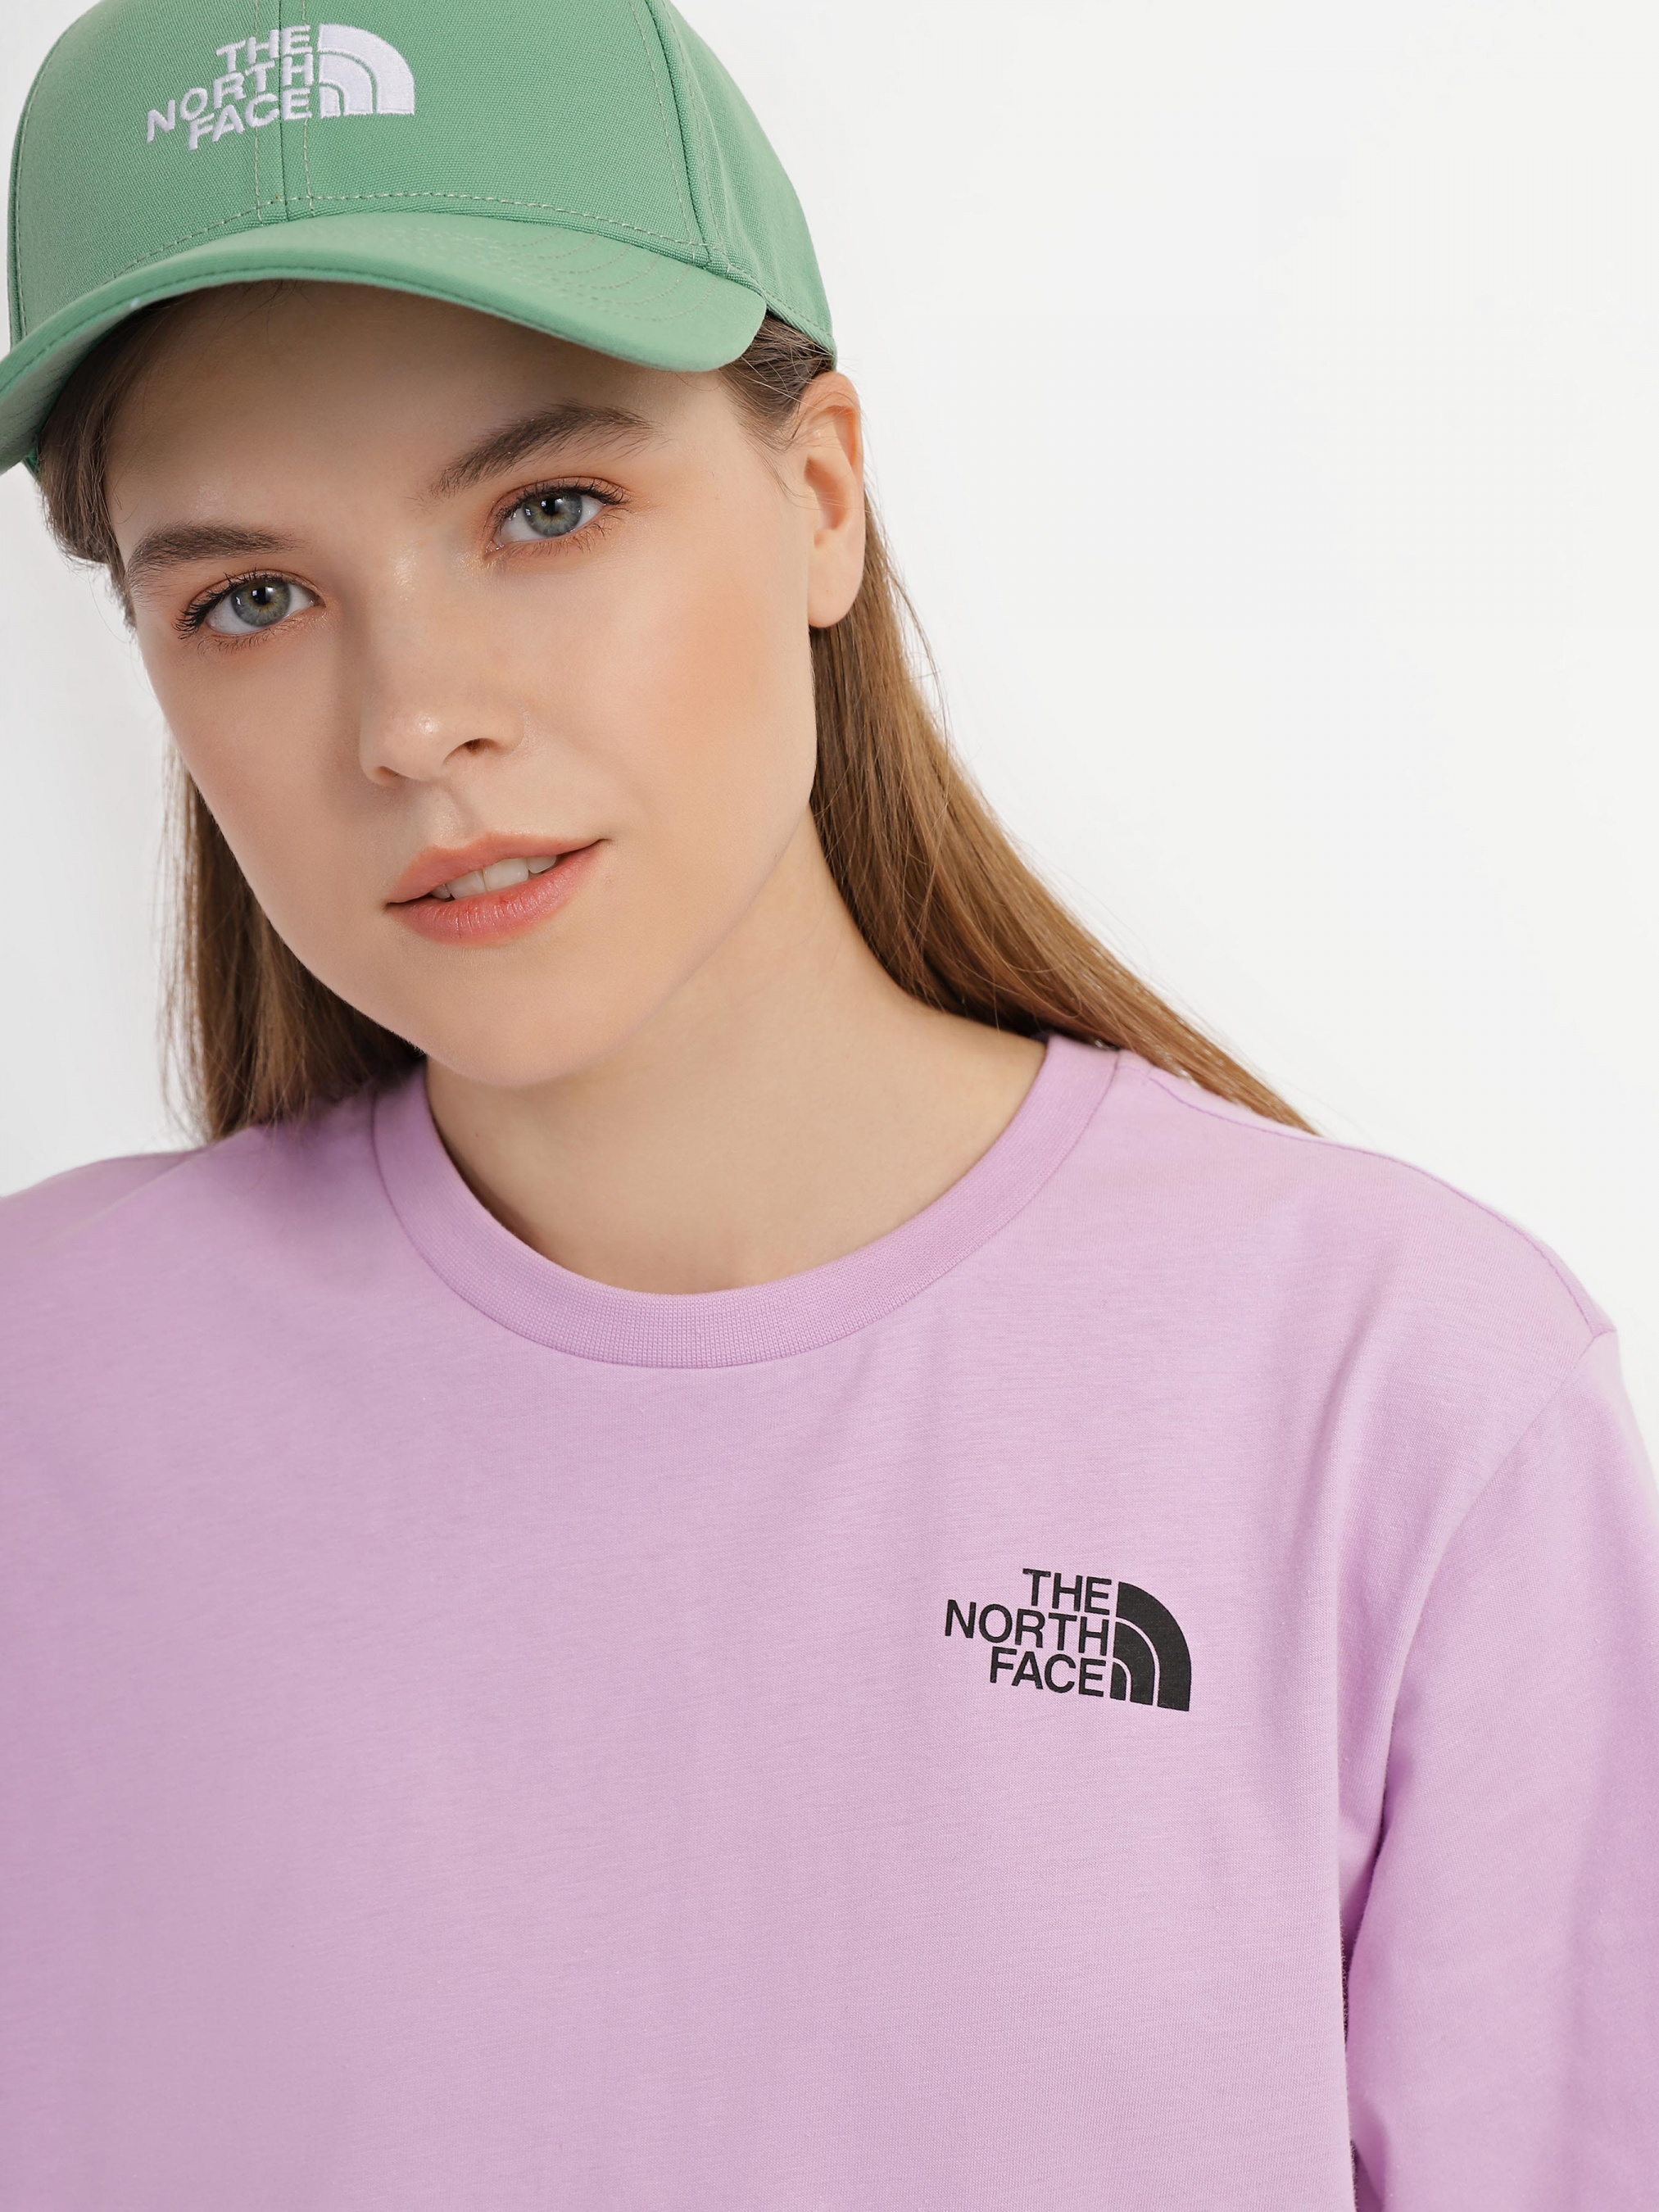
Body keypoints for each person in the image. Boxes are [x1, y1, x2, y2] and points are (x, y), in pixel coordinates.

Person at [1, 1, 1655, 2205]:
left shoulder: (1391, 1394)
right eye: (251, 597)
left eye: (546, 507)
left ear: (816, 499)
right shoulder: (42, 1393)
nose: (412, 720)